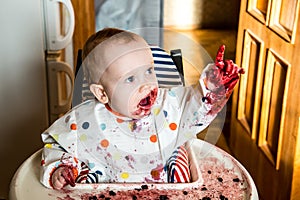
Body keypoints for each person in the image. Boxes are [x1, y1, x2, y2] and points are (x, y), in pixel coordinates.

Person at [40, 28, 244, 190]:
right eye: (130, 79)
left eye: (149, 71)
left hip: (169, 191)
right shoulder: (83, 121)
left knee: (179, 157)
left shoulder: (167, 104)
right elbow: (57, 144)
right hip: (103, 192)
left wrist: (214, 86)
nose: (146, 84)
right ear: (102, 93)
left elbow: (196, 107)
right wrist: (62, 168)